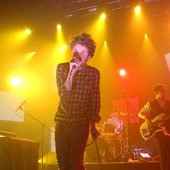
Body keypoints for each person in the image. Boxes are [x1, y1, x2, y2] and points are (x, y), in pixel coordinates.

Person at [54, 33, 101, 170]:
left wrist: (93, 126)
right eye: (76, 51)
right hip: (62, 122)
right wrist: (72, 72)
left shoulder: (93, 73)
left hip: (81, 123)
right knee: (63, 164)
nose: (78, 55)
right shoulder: (62, 68)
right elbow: (64, 95)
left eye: (83, 52)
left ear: (89, 57)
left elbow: (95, 99)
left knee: (76, 163)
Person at [138, 83, 170, 170]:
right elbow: (140, 113)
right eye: (162, 90)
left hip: (168, 131)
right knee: (163, 156)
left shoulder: (168, 103)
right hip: (158, 133)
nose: (164, 92)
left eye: (165, 90)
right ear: (157, 92)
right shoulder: (150, 103)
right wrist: (146, 119)